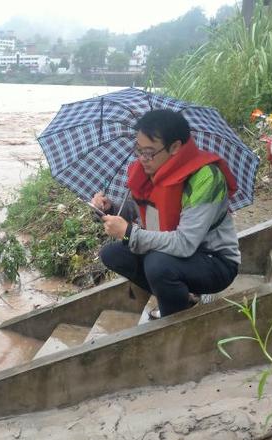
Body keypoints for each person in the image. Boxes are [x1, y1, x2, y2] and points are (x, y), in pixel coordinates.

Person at [91, 109, 240, 318]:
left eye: (149, 152)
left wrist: (129, 234)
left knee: (157, 264)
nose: (142, 158)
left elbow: (185, 243)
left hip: (214, 261)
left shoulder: (206, 178)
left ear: (175, 147)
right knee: (112, 254)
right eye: (139, 150)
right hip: (172, 254)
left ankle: (172, 320)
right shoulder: (149, 171)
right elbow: (138, 211)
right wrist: (109, 209)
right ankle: (181, 298)